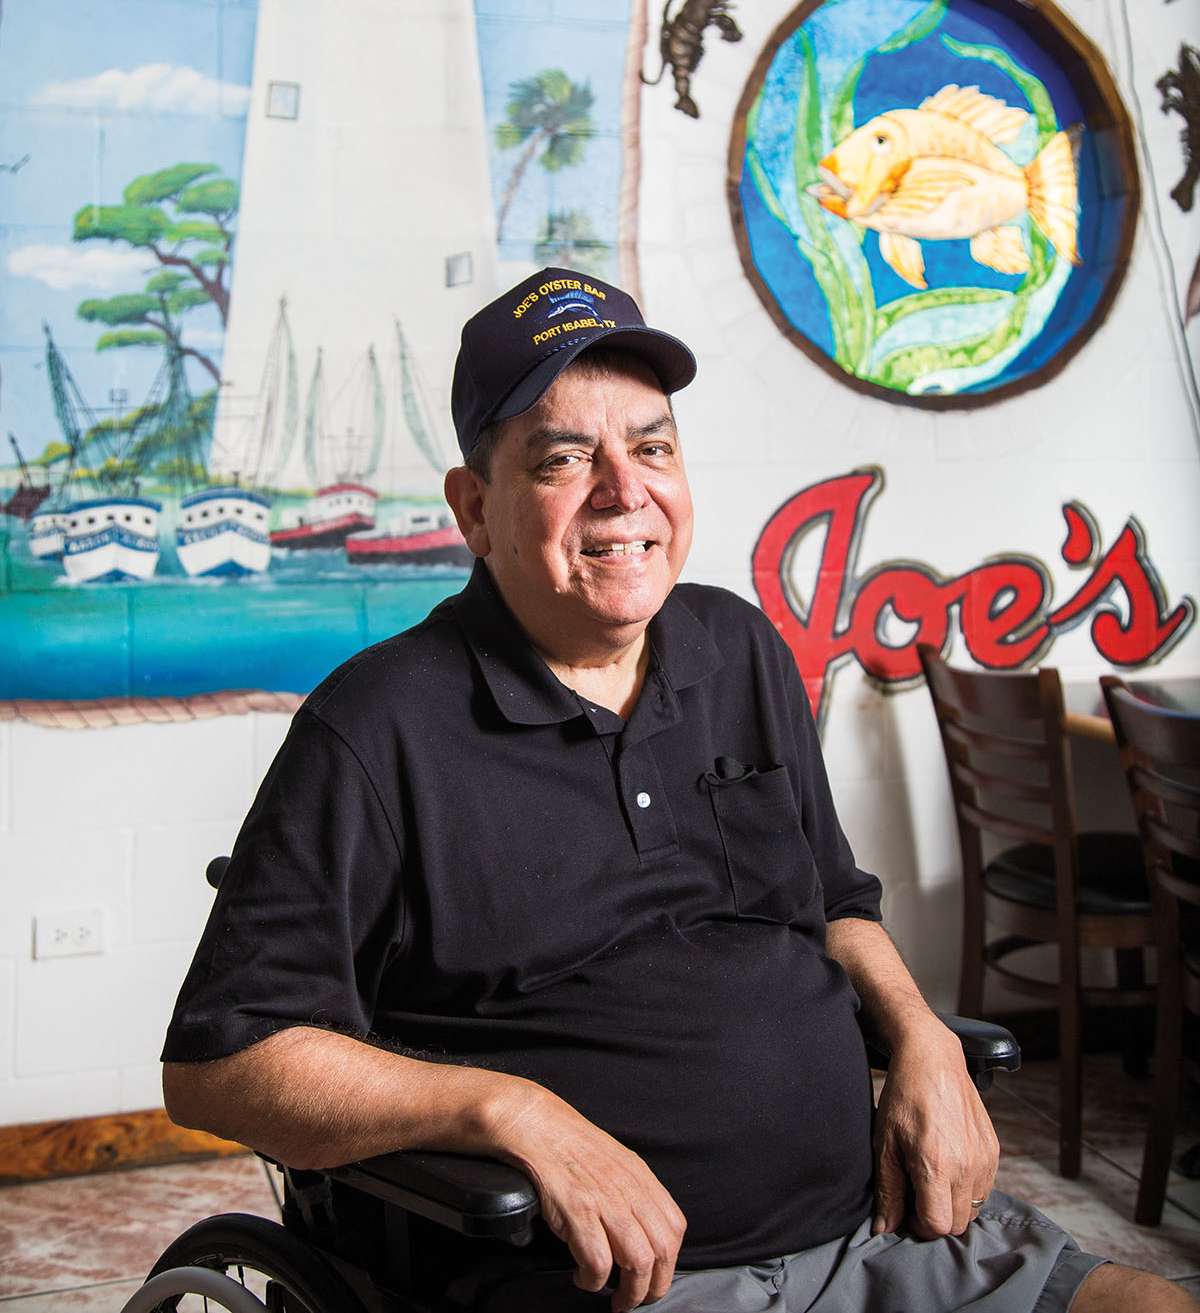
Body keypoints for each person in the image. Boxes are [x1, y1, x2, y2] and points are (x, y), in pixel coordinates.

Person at [163, 269, 1192, 1313]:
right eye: (564, 458)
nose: (624, 489)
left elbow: (833, 902)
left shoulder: (736, 647)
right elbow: (223, 1065)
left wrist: (924, 1039)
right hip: (614, 1287)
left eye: (652, 447)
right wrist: (507, 1110)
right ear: (475, 510)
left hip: (880, 1230)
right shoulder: (378, 728)